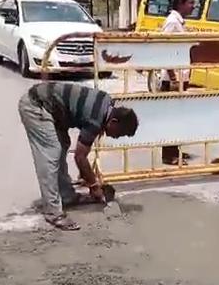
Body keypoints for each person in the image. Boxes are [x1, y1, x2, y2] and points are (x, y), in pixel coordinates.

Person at [19, 82, 138, 231]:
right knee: (51, 154)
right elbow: (80, 157)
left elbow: (83, 151)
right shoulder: (96, 119)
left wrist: (87, 177)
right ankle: (52, 212)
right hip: (36, 106)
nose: (116, 137)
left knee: (62, 145)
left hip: (52, 108)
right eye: (118, 133)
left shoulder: (107, 103)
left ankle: (66, 196)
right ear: (113, 121)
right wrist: (94, 186)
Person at [159, 0, 196, 165]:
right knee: (170, 117)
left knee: (178, 116)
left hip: (182, 76)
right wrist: (173, 78)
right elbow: (163, 48)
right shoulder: (172, 22)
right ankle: (169, 154)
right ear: (180, 4)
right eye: (190, 3)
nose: (193, 7)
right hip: (172, 79)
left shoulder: (180, 22)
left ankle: (175, 149)